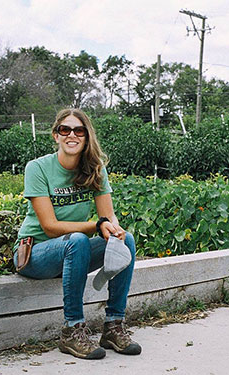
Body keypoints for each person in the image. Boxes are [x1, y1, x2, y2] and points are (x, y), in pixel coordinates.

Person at [13, 108, 141, 360]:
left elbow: (107, 216)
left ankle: (114, 325)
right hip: (35, 254)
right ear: (56, 135)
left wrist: (113, 230)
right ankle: (72, 330)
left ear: (86, 136)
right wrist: (96, 225)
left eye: (79, 130)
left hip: (74, 251)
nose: (72, 135)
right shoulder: (37, 168)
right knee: (78, 239)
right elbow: (50, 226)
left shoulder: (95, 169)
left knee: (126, 240)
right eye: (65, 130)